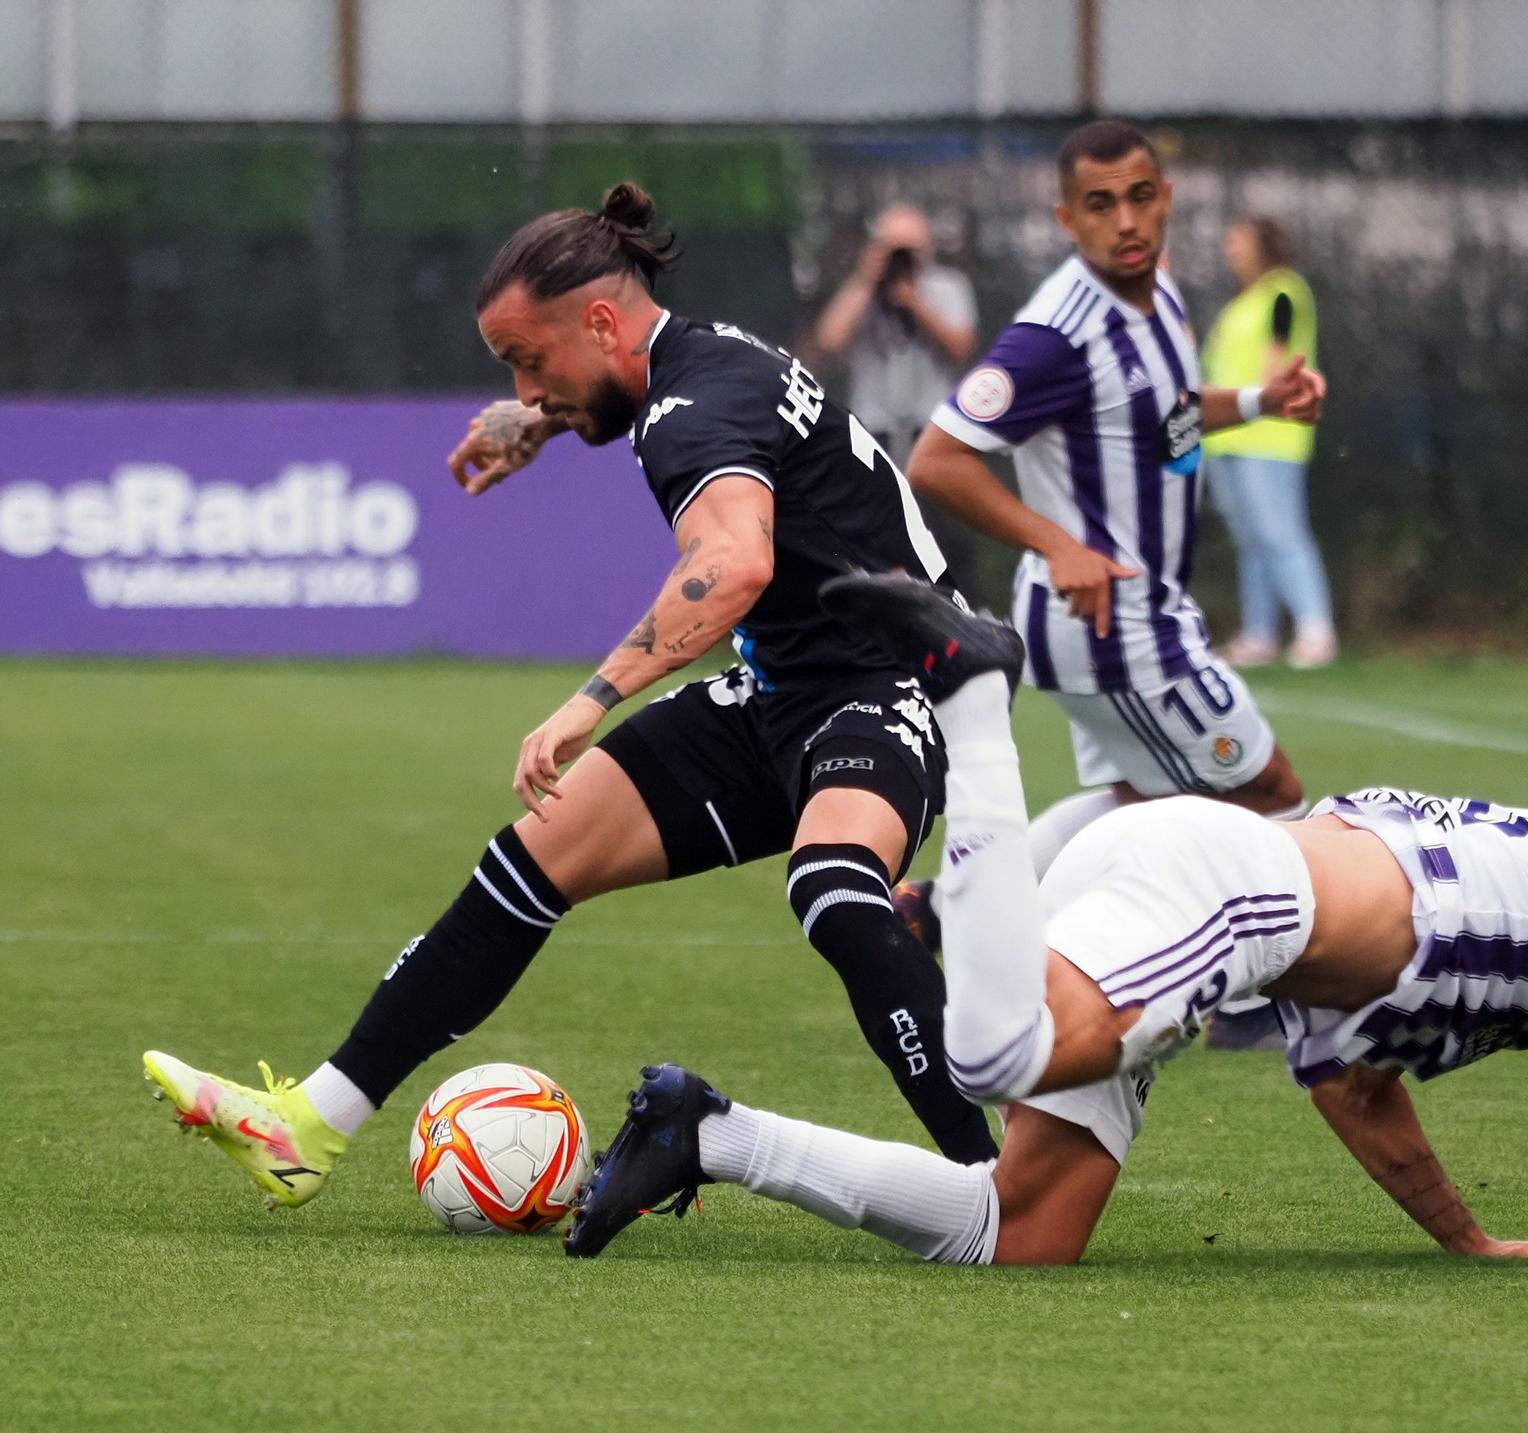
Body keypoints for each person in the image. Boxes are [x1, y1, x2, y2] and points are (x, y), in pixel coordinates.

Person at [140, 183, 999, 1210]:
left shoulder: (690, 409)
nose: (518, 382)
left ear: (598, 321)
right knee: (534, 857)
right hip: (784, 691)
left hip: (894, 682)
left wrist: (592, 697)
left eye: (529, 361)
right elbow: (645, 411)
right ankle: (308, 1126)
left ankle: (994, 1174)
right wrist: (538, 416)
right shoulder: (690, 361)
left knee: (832, 890)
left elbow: (732, 568)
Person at [563, 574, 1528, 1271]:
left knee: (1020, 1231)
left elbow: (1356, 1091)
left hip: (1196, 876)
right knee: (996, 1051)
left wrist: (1470, 1242)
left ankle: (710, 1134)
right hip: (1229, 888)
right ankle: (977, 700)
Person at [892, 121, 1326, 1048]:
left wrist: (1258, 402)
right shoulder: (1057, 333)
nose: (1125, 221)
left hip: (1134, 611)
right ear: (1066, 218)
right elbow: (936, 459)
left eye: (1140, 196)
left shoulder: (1158, 292)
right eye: (1100, 205)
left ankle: (942, 910)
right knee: (1270, 789)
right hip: (1110, 618)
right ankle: (1257, 1005)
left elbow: (1162, 419)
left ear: (1165, 198)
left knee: (1148, 805)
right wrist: (1060, 543)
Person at [812, 203, 986, 600]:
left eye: (910, 248)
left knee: (947, 536)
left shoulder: (947, 286)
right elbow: (829, 340)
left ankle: (963, 613)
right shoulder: (862, 290)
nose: (902, 258)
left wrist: (915, 301)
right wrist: (864, 280)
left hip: (935, 431)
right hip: (876, 432)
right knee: (875, 532)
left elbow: (962, 345)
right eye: (894, 249)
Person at [1203, 214, 1336, 669]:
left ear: (1263, 244)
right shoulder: (1242, 300)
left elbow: (1276, 353)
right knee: (1252, 539)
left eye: (1238, 239)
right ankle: (1259, 635)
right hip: (1226, 437)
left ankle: (1316, 629)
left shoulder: (1283, 289)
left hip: (1270, 436)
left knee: (1281, 532)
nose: (1231, 248)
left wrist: (1267, 392)